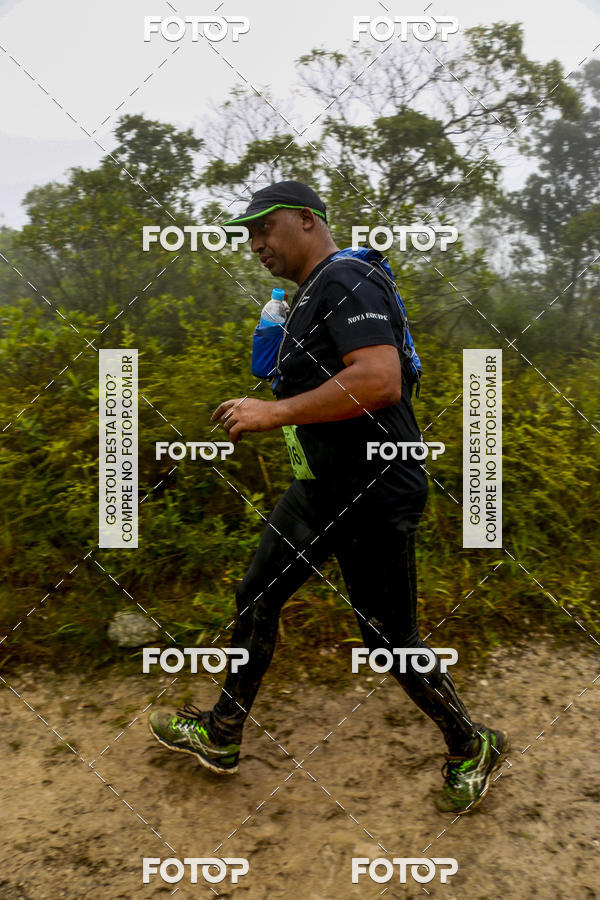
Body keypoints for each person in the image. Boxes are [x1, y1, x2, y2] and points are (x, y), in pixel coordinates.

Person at [148, 181, 509, 814]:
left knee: (389, 639)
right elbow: (319, 380)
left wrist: (273, 413)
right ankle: (224, 733)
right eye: (247, 233)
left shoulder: (346, 280)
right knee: (257, 594)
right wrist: (270, 386)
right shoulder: (309, 296)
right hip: (321, 489)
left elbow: (379, 380)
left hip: (374, 490)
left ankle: (471, 742)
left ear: (309, 221)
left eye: (266, 227)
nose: (255, 242)